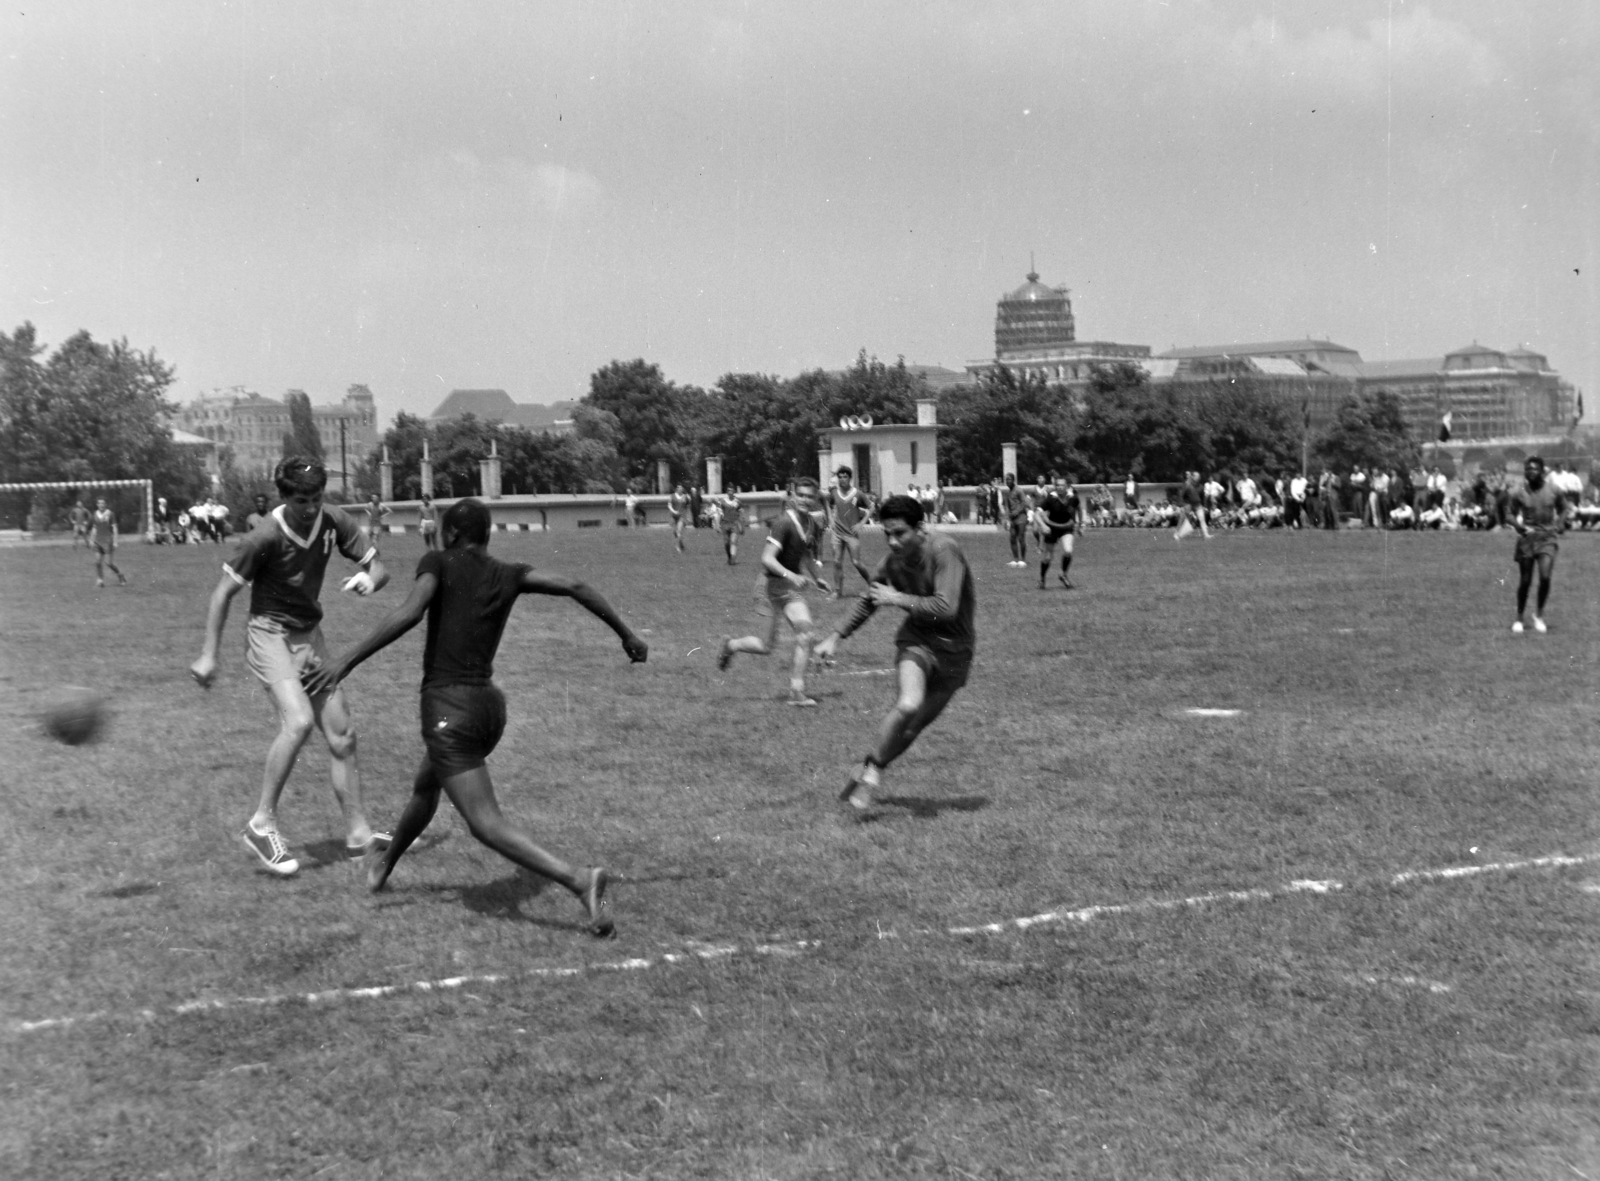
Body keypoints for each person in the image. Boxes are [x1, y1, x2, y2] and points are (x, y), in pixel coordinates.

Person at [303, 498, 646, 936]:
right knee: (428, 785)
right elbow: (576, 585)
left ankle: (579, 880)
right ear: (486, 536)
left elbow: (411, 611)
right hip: (489, 711)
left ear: (449, 535)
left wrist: (344, 661)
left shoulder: (438, 561)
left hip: (448, 709)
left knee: (485, 823)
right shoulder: (509, 573)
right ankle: (384, 864)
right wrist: (627, 635)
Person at [189, 457, 391, 877]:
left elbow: (379, 567)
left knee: (342, 734)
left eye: (317, 498)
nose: (311, 507)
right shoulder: (262, 536)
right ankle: (261, 825)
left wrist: (369, 581)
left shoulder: (333, 520)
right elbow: (222, 594)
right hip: (269, 634)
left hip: (309, 636)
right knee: (297, 722)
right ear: (284, 496)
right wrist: (209, 654)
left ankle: (358, 835)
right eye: (302, 499)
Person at [813, 494, 975, 815]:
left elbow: (946, 607)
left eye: (900, 533)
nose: (892, 541)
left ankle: (868, 767)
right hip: (918, 641)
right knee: (908, 704)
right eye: (887, 533)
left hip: (957, 653)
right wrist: (835, 637)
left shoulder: (944, 550)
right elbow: (869, 599)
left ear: (921, 528)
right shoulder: (891, 563)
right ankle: (872, 775)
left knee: (913, 728)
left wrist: (897, 597)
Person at [717, 478, 829, 707]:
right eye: (802, 495)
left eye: (810, 496)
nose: (806, 500)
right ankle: (731, 646)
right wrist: (793, 575)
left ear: (816, 499)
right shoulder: (783, 523)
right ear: (793, 496)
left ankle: (796, 692)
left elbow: (806, 552)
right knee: (765, 646)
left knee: (805, 634)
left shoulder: (812, 524)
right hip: (768, 587)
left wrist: (818, 578)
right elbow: (767, 559)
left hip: (789, 589)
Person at [1509, 456, 1570, 634]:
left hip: (1547, 538)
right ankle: (1519, 618)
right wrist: (1518, 526)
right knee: (1525, 581)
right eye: (1527, 469)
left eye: (1534, 469)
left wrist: (1560, 523)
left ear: (1542, 471)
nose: (1530, 472)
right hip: (1527, 539)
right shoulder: (1519, 491)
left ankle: (1539, 615)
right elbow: (1509, 514)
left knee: (1545, 577)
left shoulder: (1554, 489)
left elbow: (1564, 508)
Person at [823, 466, 873, 598]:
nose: (842, 479)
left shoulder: (858, 494)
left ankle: (873, 585)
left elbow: (872, 506)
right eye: (840, 477)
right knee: (836, 561)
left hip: (851, 534)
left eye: (845, 477)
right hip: (837, 533)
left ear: (850, 478)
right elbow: (827, 503)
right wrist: (830, 518)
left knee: (856, 562)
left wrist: (862, 523)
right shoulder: (834, 492)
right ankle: (837, 592)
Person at [1034, 474, 1080, 587]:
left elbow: (1079, 508)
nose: (1060, 487)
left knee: (1068, 550)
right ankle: (1042, 579)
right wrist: (1043, 526)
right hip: (1052, 529)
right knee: (1047, 558)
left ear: (1067, 486)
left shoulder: (1072, 497)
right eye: (1058, 485)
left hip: (1066, 528)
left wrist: (1081, 523)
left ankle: (1063, 574)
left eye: (1062, 485)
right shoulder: (1050, 498)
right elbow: (1036, 514)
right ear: (1055, 486)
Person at [90, 497, 128, 587]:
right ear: (97, 504)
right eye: (99, 503)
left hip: (108, 541)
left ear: (105, 505)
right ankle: (100, 580)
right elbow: (94, 528)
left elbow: (115, 528)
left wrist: (115, 541)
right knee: (98, 562)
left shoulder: (110, 514)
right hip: (98, 541)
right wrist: (91, 540)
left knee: (109, 563)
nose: (101, 505)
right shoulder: (95, 514)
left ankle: (120, 575)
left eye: (103, 503)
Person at [1001, 474, 1030, 566]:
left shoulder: (1019, 490)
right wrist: (1006, 519)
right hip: (1013, 518)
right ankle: (1015, 559)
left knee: (1021, 538)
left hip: (1021, 517)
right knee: (1012, 538)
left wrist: (1017, 511)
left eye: (1009, 479)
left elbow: (1024, 502)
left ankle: (1023, 560)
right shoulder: (1007, 493)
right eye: (1006, 480)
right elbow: (1007, 507)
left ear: (1013, 480)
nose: (1007, 481)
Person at [1175, 471, 1211, 540]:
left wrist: (1205, 506)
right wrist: (1181, 505)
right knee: (1182, 519)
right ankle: (1177, 534)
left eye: (1199, 476)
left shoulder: (1200, 486)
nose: (1198, 478)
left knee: (1202, 519)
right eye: (1197, 476)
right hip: (1188, 504)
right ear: (1193, 477)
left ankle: (1206, 535)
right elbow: (1181, 495)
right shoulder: (1187, 485)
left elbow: (1203, 497)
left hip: (1197, 504)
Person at [718, 489, 745, 564]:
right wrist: (717, 525)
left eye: (732, 491)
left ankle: (733, 559)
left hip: (734, 524)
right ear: (727, 493)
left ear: (734, 492)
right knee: (726, 543)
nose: (730, 492)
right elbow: (719, 513)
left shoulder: (738, 502)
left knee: (733, 541)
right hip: (725, 524)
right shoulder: (722, 501)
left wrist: (742, 526)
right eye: (729, 491)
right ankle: (729, 557)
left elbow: (742, 514)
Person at [667, 484, 690, 552]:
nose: (681, 490)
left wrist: (687, 516)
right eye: (679, 489)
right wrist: (673, 511)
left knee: (679, 531)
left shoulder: (685, 497)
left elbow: (688, 505)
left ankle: (678, 547)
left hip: (682, 515)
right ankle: (681, 544)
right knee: (675, 532)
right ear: (677, 490)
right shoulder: (672, 496)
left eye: (682, 489)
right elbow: (669, 505)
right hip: (674, 516)